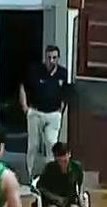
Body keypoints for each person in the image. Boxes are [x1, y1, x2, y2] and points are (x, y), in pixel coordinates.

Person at [20, 44, 71, 179]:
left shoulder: (63, 73)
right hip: (36, 112)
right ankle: (31, 174)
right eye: (49, 58)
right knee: (33, 144)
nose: (51, 60)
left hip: (53, 113)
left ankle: (49, 175)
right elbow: (23, 86)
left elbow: (67, 92)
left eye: (54, 58)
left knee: (51, 143)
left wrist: (61, 109)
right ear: (45, 58)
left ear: (58, 58)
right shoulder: (36, 70)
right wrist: (25, 106)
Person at [34, 141, 86, 207]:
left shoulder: (76, 168)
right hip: (52, 202)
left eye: (65, 158)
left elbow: (79, 186)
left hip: (69, 202)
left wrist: (80, 197)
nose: (63, 161)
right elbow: (40, 187)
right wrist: (56, 198)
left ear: (69, 154)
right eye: (60, 159)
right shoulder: (49, 168)